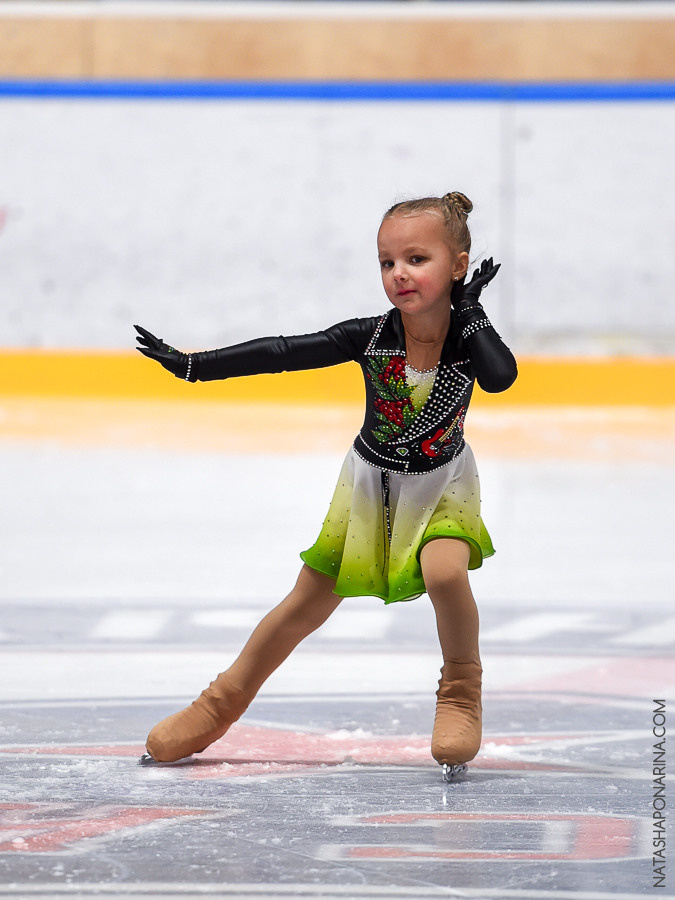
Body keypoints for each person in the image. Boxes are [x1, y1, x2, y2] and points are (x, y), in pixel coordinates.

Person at [134, 190, 517, 774]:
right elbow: (284, 352)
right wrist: (195, 365)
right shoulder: (369, 335)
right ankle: (217, 705)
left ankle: (461, 691)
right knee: (306, 603)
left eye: (417, 259)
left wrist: (469, 311)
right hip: (370, 489)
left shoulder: (468, 337)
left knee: (445, 571)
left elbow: (501, 377)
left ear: (458, 265)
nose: (398, 274)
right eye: (387, 262)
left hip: (442, 485)